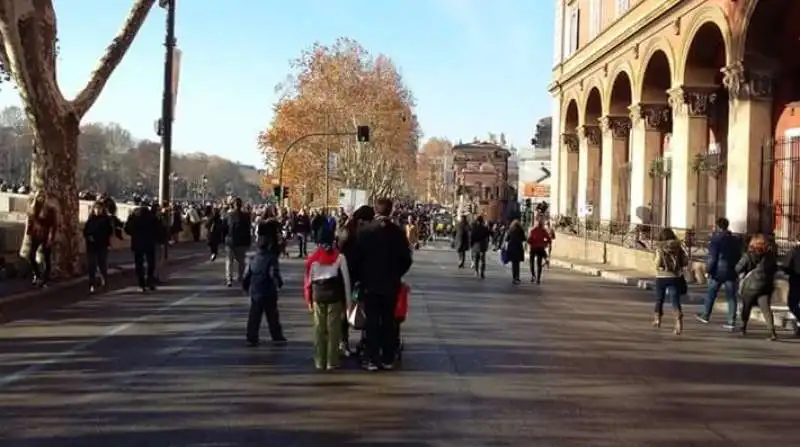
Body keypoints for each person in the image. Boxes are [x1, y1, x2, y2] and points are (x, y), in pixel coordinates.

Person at [352, 198, 412, 371]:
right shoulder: (397, 232)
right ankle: (387, 357)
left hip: (370, 284)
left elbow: (356, 259)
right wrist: (396, 275)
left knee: (371, 321)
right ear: (391, 211)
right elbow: (406, 259)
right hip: (390, 284)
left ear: (375, 211)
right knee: (388, 321)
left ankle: (371, 357)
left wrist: (360, 278)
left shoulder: (365, 232)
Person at [304, 226, 352, 371]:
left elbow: (307, 282)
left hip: (318, 297)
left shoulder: (312, 259)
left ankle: (320, 360)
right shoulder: (340, 257)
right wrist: (348, 303)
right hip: (335, 297)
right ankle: (332, 361)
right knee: (334, 329)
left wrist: (309, 300)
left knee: (319, 329)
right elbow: (346, 282)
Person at [242, 228, 287, 347]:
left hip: (256, 291)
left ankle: (251, 337)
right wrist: (279, 283)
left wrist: (245, 287)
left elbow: (247, 275)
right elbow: (273, 273)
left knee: (254, 315)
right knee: (272, 315)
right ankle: (277, 336)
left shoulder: (253, 259)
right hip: (268, 291)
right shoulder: (271, 258)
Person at [697, 217, 741, 330]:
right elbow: (739, 256)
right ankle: (731, 321)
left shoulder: (716, 240)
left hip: (717, 272)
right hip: (731, 271)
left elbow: (712, 258)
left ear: (718, 226)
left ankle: (705, 315)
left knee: (711, 294)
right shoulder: (735, 240)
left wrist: (708, 270)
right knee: (731, 297)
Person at [736, 234, 778, 340]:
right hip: (765, 286)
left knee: (747, 306)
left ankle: (743, 327)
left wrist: (741, 274)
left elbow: (737, 268)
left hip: (750, 286)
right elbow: (775, 269)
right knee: (766, 309)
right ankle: (772, 332)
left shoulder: (748, 255)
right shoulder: (770, 256)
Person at [653, 228, 688, 335]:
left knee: (659, 299)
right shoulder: (678, 247)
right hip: (675, 277)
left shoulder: (660, 247)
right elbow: (685, 262)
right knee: (675, 301)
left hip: (661, 277)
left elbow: (657, 263)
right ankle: (678, 324)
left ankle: (657, 320)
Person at [124, 197, 161, 293]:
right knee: (151, 263)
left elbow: (127, 229)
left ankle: (141, 284)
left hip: (137, 243)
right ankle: (150, 281)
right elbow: (158, 229)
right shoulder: (152, 217)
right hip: (149, 243)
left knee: (139, 264)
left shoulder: (133, 217)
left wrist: (134, 234)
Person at [25, 191, 57, 288]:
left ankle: (45, 279)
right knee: (31, 255)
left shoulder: (50, 210)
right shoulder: (32, 208)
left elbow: (53, 225)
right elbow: (29, 221)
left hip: (46, 235)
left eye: (43, 196)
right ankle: (37, 275)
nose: (41, 198)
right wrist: (28, 232)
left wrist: (51, 238)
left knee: (47, 258)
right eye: (39, 196)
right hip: (35, 235)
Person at [83, 201, 114, 294]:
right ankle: (92, 284)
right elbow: (85, 231)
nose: (98, 210)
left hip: (102, 245)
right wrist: (89, 236)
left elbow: (110, 232)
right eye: (96, 208)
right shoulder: (90, 220)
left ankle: (104, 281)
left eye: (99, 208)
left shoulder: (106, 220)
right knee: (91, 265)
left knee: (102, 264)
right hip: (91, 246)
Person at [221, 197, 252, 287]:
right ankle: (240, 277)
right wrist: (248, 242)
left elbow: (224, 229)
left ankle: (229, 278)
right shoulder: (246, 216)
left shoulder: (228, 215)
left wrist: (223, 240)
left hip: (230, 241)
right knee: (241, 261)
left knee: (229, 261)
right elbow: (248, 230)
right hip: (241, 242)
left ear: (233, 205)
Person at [527, 219, 551, 284]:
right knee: (539, 264)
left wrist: (531, 243)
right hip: (540, 248)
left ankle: (533, 275)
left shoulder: (533, 231)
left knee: (531, 262)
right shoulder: (543, 231)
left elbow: (529, 240)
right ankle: (538, 279)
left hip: (533, 248)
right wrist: (544, 243)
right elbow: (549, 239)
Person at [504, 220, 526, 285]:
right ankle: (517, 277)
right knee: (517, 263)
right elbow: (524, 239)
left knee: (514, 264)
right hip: (518, 247)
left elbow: (507, 239)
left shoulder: (510, 230)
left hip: (512, 247)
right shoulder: (521, 230)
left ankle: (514, 277)